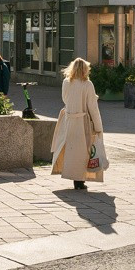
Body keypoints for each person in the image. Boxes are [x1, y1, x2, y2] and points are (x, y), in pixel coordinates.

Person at [51, 57, 106, 191]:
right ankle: (79, 180)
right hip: (83, 121)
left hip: (69, 119)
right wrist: (98, 126)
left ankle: (72, 176)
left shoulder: (66, 82)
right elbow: (92, 107)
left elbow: (65, 99)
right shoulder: (87, 84)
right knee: (83, 151)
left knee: (71, 149)